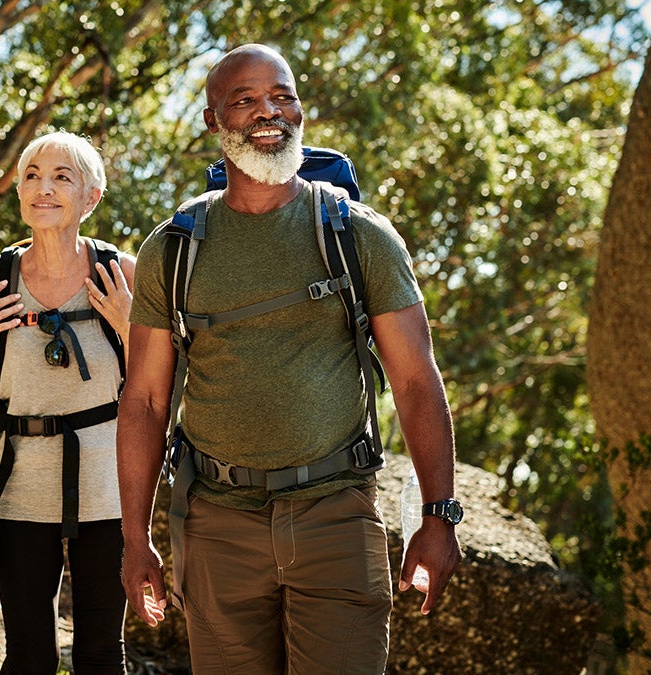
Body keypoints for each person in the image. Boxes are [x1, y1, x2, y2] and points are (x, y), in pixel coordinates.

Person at [117, 44, 461, 673]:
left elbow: (416, 381)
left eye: (282, 95)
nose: (267, 111)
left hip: (337, 515)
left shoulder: (359, 235)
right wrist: (135, 538)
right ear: (212, 121)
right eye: (244, 100)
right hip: (216, 524)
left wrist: (439, 518)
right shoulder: (173, 250)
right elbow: (143, 401)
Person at [0, 131, 136, 674]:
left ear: (91, 197)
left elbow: (156, 385)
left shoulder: (119, 273)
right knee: (28, 656)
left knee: (101, 654)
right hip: (18, 486)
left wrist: (130, 328)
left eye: (61, 177)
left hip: (107, 485)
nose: (43, 188)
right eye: (32, 176)